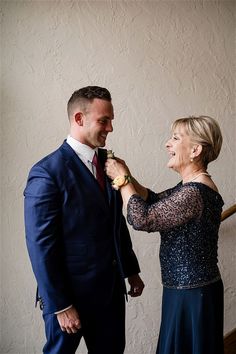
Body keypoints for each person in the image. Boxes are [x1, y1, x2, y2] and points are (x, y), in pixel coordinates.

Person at [24, 86, 144, 354]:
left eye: (111, 120)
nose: (111, 128)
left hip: (111, 293)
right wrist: (60, 305)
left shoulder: (109, 163)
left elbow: (114, 222)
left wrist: (130, 269)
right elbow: (40, 245)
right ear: (79, 119)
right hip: (70, 298)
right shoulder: (46, 172)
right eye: (104, 120)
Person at [105, 115, 224, 354]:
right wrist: (126, 175)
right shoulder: (190, 187)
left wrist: (122, 178)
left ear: (195, 150)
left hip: (192, 295)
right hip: (185, 291)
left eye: (175, 138)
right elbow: (155, 200)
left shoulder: (194, 193)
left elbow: (143, 218)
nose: (167, 144)